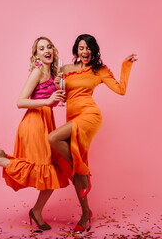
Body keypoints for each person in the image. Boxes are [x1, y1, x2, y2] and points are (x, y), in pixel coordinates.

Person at [0, 36, 71, 231]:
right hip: (34, 124)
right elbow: (20, 101)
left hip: (46, 122)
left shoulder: (53, 72)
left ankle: (37, 210)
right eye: (41, 48)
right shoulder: (37, 71)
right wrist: (47, 101)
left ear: (53, 51)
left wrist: (56, 94)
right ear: (36, 55)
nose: (46, 50)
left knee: (52, 173)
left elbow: (51, 99)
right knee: (41, 169)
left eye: (49, 47)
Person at [48, 34, 137, 232]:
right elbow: (56, 92)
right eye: (81, 48)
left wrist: (126, 64)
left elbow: (121, 89)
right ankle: (86, 212)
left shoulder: (99, 70)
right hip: (71, 117)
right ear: (76, 50)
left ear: (94, 50)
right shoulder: (65, 70)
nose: (85, 51)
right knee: (76, 171)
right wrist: (54, 84)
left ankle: (84, 171)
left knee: (53, 138)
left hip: (89, 116)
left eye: (88, 48)